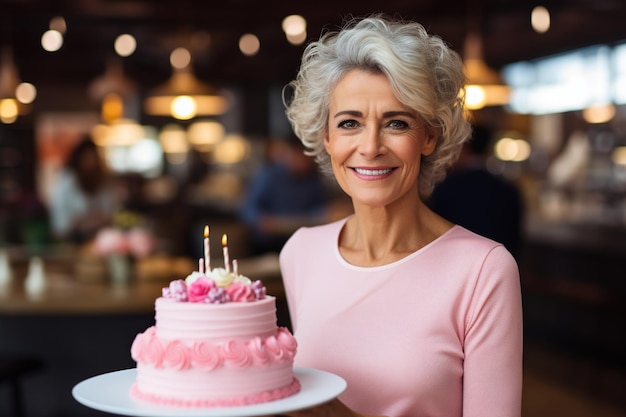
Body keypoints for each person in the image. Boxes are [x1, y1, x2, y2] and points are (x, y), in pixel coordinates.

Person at [279, 14, 523, 417]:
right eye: (349, 123)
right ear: (327, 137)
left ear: (429, 135)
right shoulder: (301, 251)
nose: (371, 146)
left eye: (396, 122)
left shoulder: (483, 270)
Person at [428, 124, 524, 257]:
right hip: (498, 261)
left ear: (463, 148)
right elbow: (515, 240)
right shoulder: (508, 189)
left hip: (454, 262)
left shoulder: (446, 188)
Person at [239, 135, 344, 255]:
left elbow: (319, 209)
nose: (303, 160)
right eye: (299, 155)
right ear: (287, 153)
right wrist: (260, 220)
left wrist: (328, 212)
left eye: (307, 156)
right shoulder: (269, 176)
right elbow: (247, 209)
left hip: (303, 238)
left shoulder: (314, 180)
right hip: (270, 242)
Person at [49, 137, 119, 244]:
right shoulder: (68, 183)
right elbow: (61, 222)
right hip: (72, 241)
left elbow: (112, 212)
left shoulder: (104, 183)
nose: (90, 163)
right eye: (86, 158)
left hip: (101, 240)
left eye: (93, 158)